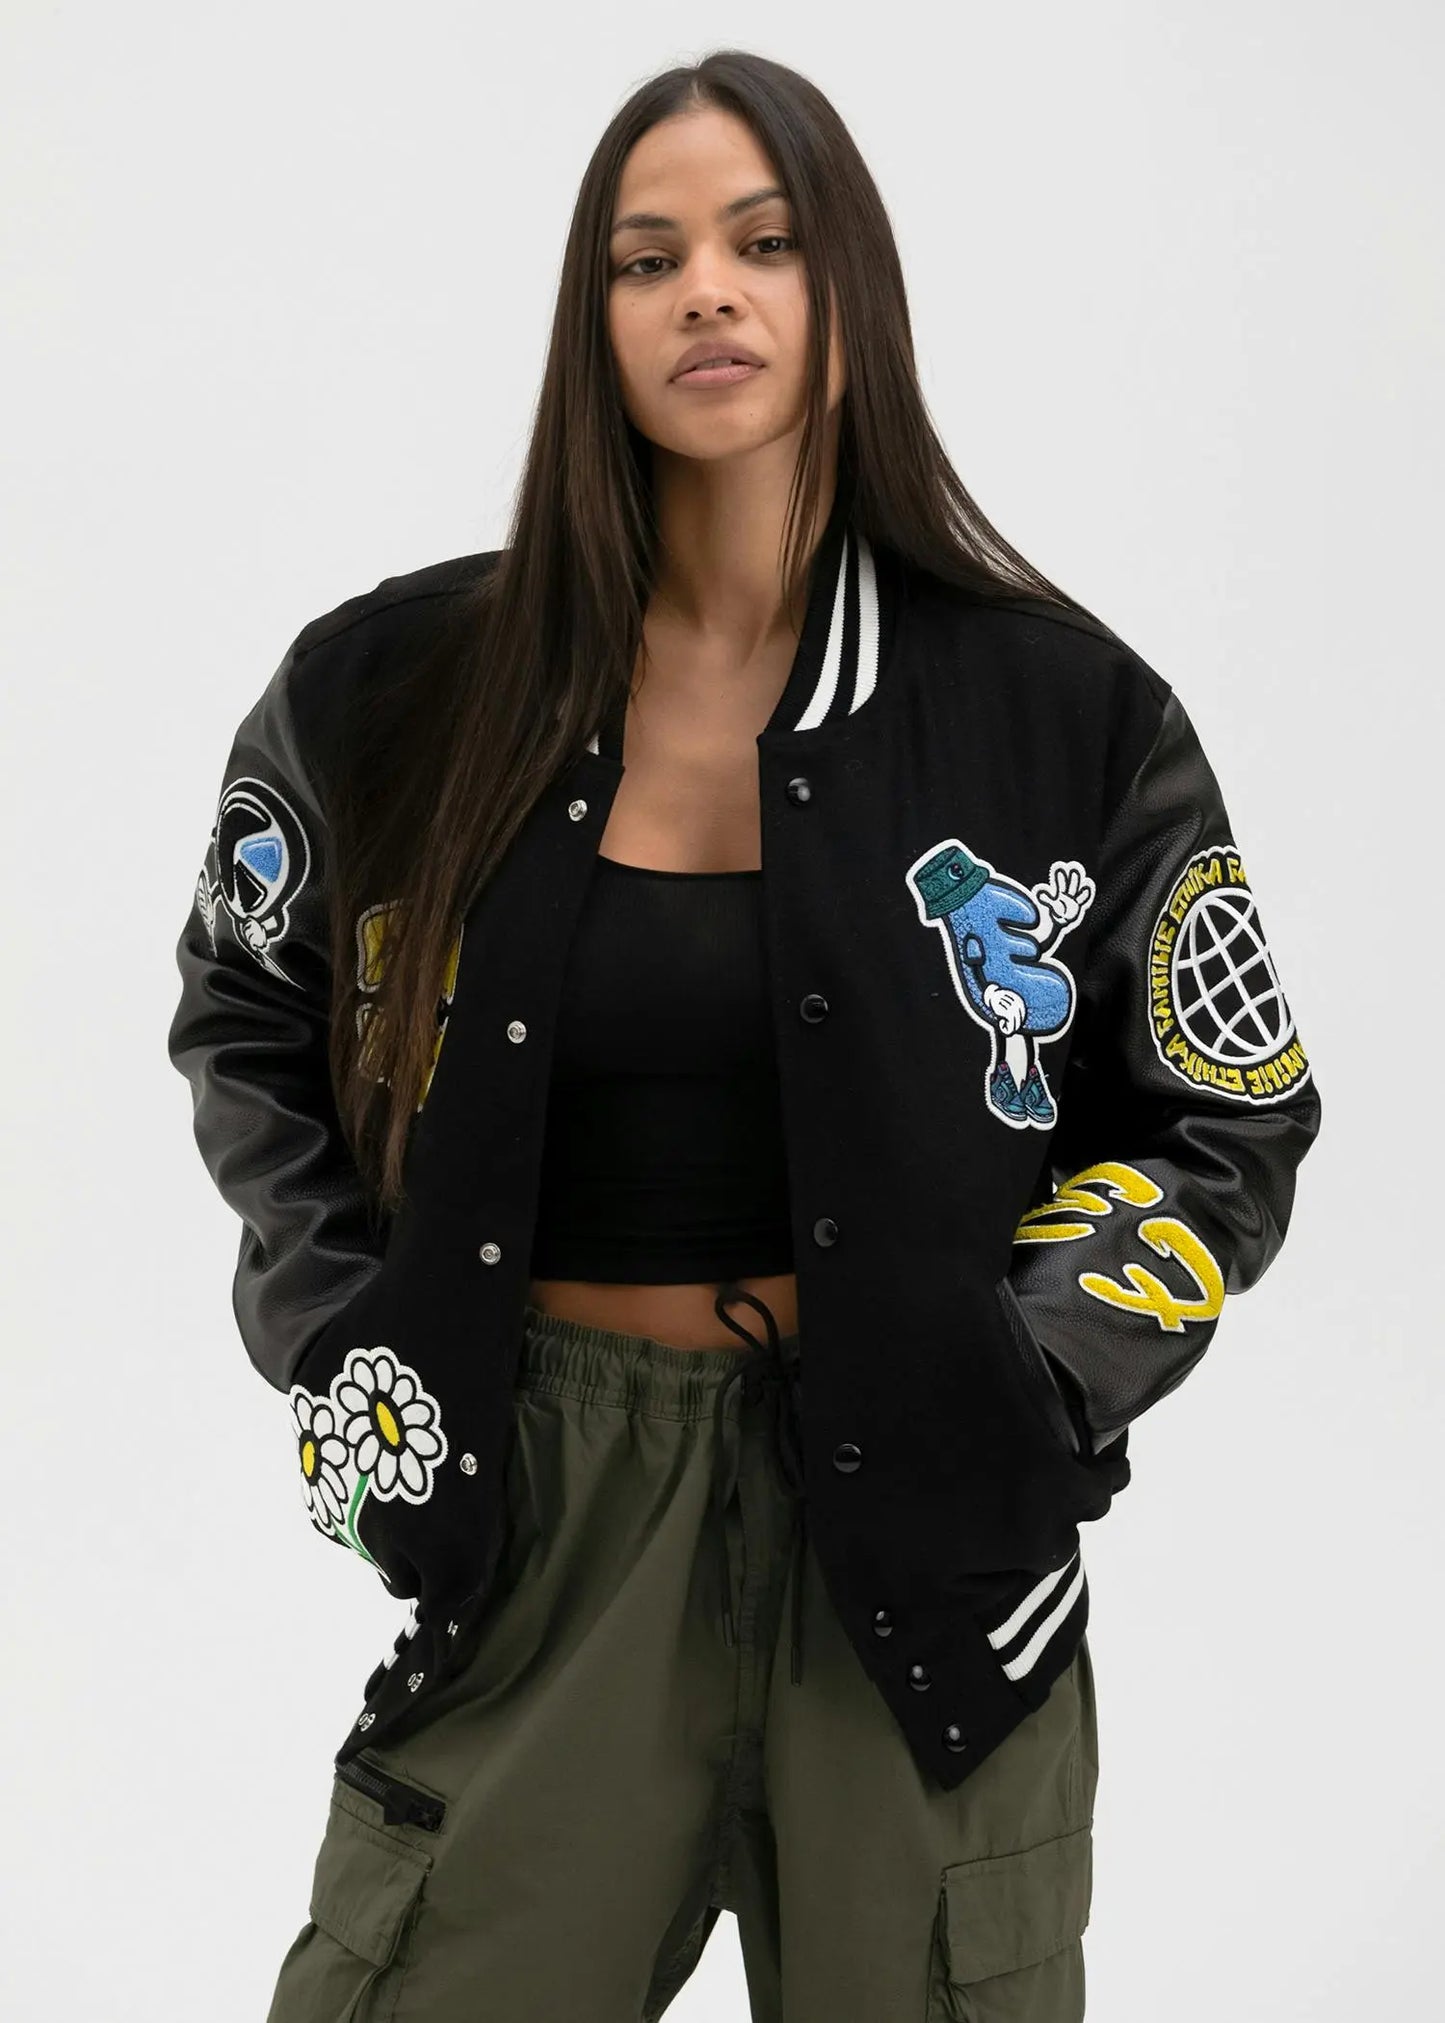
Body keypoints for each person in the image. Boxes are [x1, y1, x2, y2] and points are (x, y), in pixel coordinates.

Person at [166, 48, 1322, 2023]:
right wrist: (357, 1357)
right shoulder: (388, 690)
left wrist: (1032, 1380)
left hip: (929, 1567)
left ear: (846, 290)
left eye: (762, 242)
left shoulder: (1065, 715)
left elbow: (1231, 1114)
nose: (706, 288)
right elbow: (245, 1022)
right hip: (542, 1528)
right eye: (648, 257)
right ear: (591, 320)